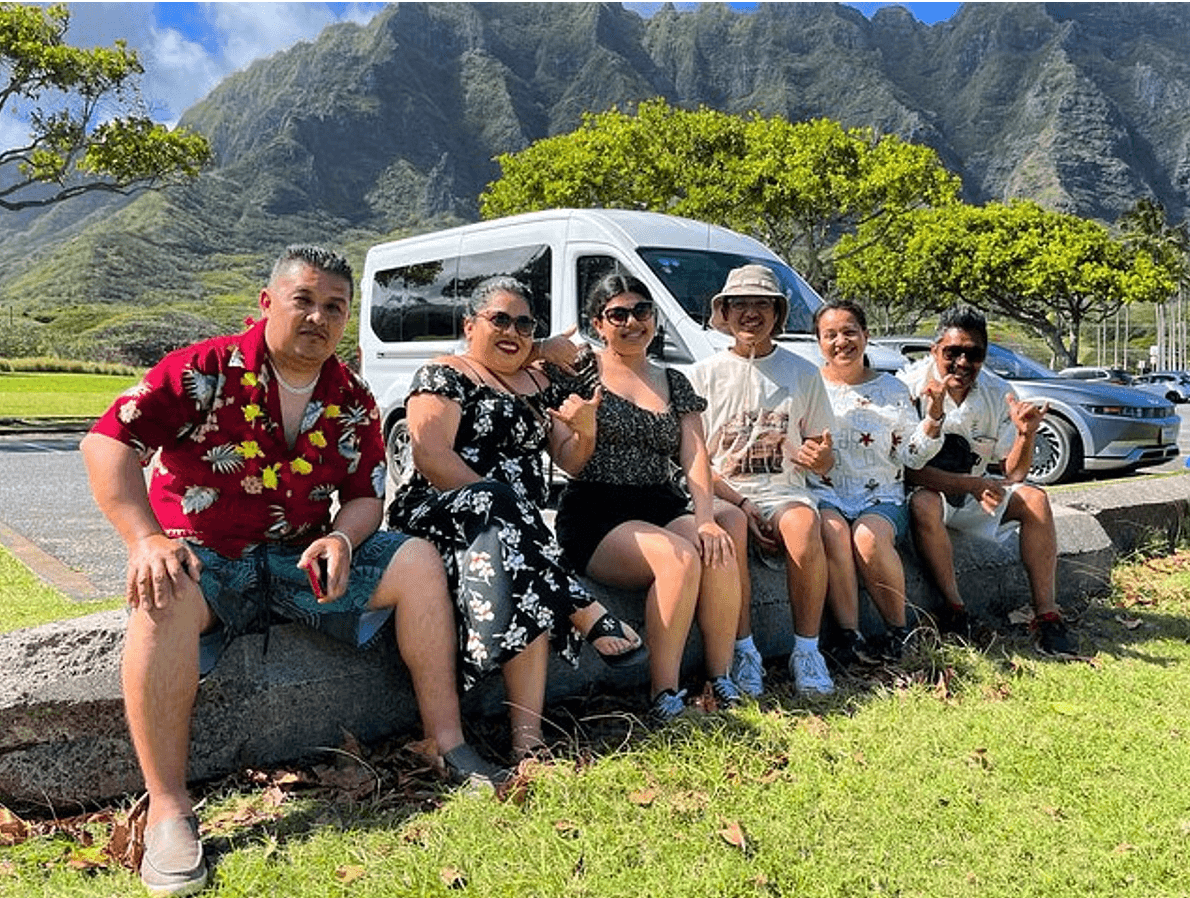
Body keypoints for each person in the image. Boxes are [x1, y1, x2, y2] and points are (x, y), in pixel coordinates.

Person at [81, 246, 502, 897]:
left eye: (334, 306)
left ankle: (445, 741)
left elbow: (366, 494)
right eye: (304, 299)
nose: (318, 317)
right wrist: (144, 538)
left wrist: (342, 534)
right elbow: (108, 440)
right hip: (204, 555)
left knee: (415, 557)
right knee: (160, 592)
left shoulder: (352, 396)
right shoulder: (202, 369)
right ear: (268, 302)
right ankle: (168, 808)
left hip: (301, 561)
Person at [387, 276, 648, 757]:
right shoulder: (443, 374)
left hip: (516, 530)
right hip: (446, 512)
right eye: (499, 319)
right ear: (470, 325)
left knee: (523, 564)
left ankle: (529, 746)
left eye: (524, 323)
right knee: (505, 513)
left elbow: (570, 461)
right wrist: (497, 500)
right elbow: (431, 458)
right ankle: (581, 605)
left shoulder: (538, 381)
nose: (513, 331)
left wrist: (585, 430)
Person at [547, 272, 744, 721]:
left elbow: (694, 453)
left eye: (642, 311)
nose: (632, 321)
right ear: (598, 323)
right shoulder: (578, 374)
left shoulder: (673, 381)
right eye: (618, 313)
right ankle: (664, 695)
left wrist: (707, 516)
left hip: (660, 500)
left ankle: (721, 678)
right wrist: (585, 429)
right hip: (598, 509)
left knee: (719, 543)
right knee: (679, 557)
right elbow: (569, 463)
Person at [689, 264, 838, 696]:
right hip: (723, 492)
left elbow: (823, 457)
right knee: (728, 532)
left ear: (777, 313)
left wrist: (821, 457)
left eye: (761, 304)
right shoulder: (702, 375)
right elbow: (694, 461)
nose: (750, 313)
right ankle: (745, 649)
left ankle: (807, 650)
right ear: (724, 312)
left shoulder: (804, 373)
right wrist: (740, 503)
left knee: (805, 527)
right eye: (740, 304)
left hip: (785, 491)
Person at [897, 305, 1079, 657]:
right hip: (927, 496)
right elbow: (907, 471)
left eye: (974, 354)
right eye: (953, 352)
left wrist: (1026, 436)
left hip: (974, 495)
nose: (963, 363)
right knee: (925, 502)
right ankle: (955, 610)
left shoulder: (998, 392)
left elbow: (1013, 474)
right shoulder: (907, 388)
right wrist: (971, 486)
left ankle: (1047, 615)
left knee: (1035, 499)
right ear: (934, 350)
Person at [809, 299, 944, 664]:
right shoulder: (808, 386)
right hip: (825, 493)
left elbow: (911, 456)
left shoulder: (892, 389)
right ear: (818, 341)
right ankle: (849, 636)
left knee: (867, 538)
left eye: (850, 332)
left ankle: (899, 630)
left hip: (881, 495)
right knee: (832, 532)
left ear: (866, 336)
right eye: (830, 334)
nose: (841, 341)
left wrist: (933, 418)